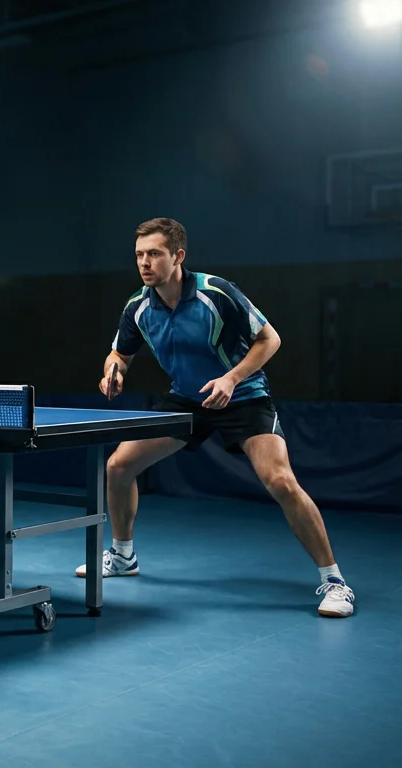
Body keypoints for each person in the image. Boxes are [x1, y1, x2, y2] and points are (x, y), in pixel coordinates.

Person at [79, 217, 354, 619]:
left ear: (178, 256)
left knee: (280, 481)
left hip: (244, 398)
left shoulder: (216, 293)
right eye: (139, 255)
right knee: (119, 466)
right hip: (187, 400)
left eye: (154, 253)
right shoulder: (138, 305)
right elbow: (120, 353)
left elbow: (269, 339)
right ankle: (123, 557)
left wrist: (231, 377)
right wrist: (113, 371)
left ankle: (335, 583)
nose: (145, 262)